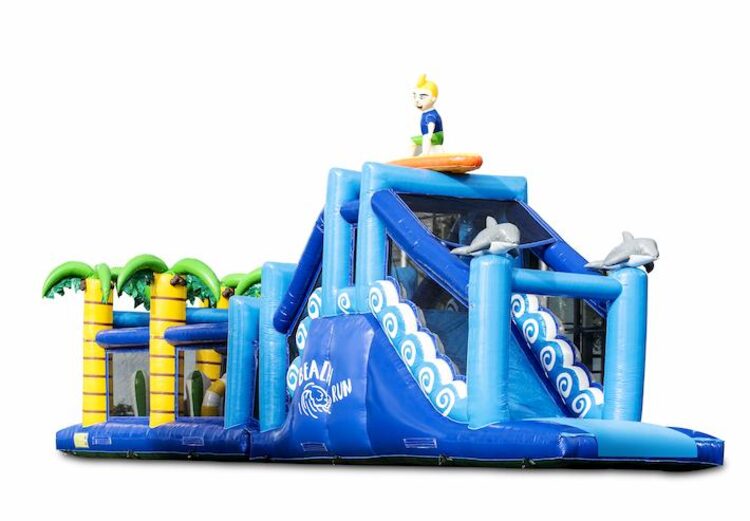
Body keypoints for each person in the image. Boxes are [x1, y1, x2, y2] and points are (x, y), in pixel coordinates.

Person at [411, 74, 443, 156]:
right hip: (430, 136)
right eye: (415, 96)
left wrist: (429, 135)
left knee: (425, 137)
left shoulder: (430, 114)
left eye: (422, 97)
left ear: (433, 98)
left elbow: (431, 124)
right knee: (412, 141)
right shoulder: (425, 113)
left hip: (437, 136)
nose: (417, 101)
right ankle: (409, 158)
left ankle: (425, 155)